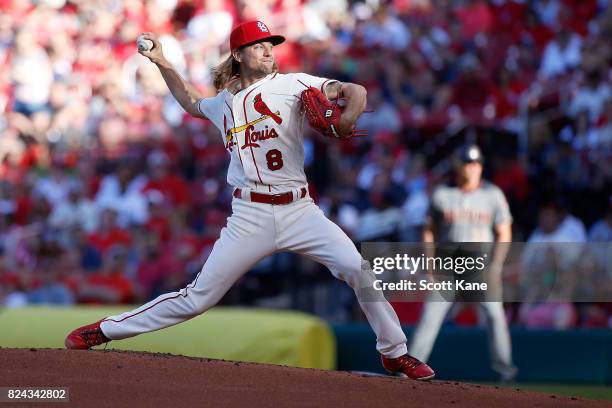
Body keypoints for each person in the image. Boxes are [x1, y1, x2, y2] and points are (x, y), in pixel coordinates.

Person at [64, 20, 434, 380]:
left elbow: (356, 91)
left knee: (357, 268)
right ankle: (106, 330)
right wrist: (162, 63)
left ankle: (394, 352)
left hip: (299, 210)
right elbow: (192, 103)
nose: (268, 50)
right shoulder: (224, 102)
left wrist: (347, 118)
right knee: (198, 298)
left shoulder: (293, 84)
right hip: (249, 214)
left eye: (270, 45)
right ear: (238, 54)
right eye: (258, 45)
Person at [407, 144, 516, 382]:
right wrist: (430, 263)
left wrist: (497, 266)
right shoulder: (443, 194)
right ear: (458, 165)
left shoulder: (493, 194)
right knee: (430, 318)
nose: (473, 168)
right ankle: (412, 369)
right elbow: (429, 230)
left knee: (496, 317)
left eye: (477, 163)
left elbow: (504, 232)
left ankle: (506, 371)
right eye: (469, 163)